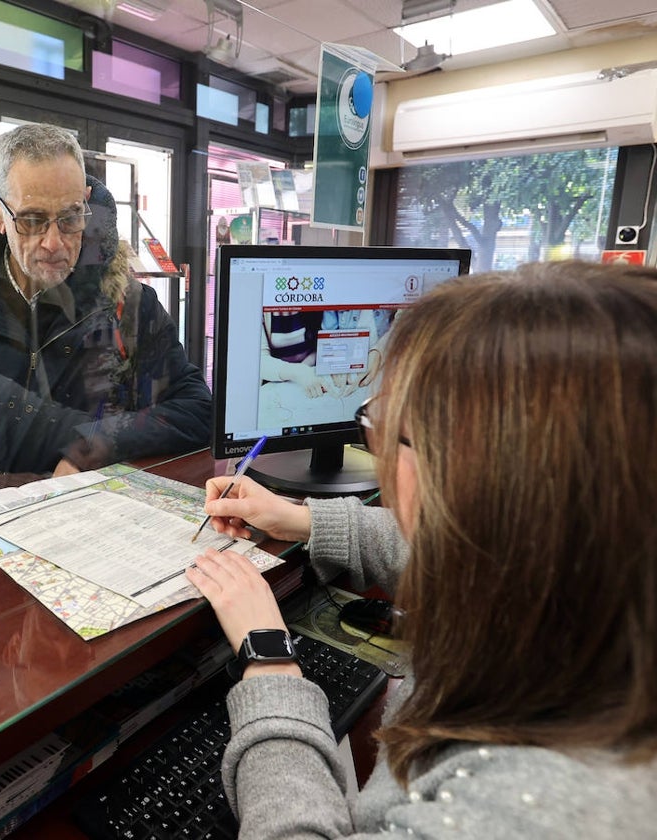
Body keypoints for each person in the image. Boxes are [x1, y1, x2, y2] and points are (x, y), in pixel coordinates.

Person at [188, 261, 657, 837]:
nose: (378, 447)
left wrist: (269, 659)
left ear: (491, 480)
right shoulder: (596, 583)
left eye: (388, 426)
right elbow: (449, 549)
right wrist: (299, 518)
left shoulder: (552, 807)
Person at [0, 123, 211, 517]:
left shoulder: (128, 305)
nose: (54, 243)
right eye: (31, 220)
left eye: (70, 217)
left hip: (88, 523)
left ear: (87, 202)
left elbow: (196, 410)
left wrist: (95, 443)